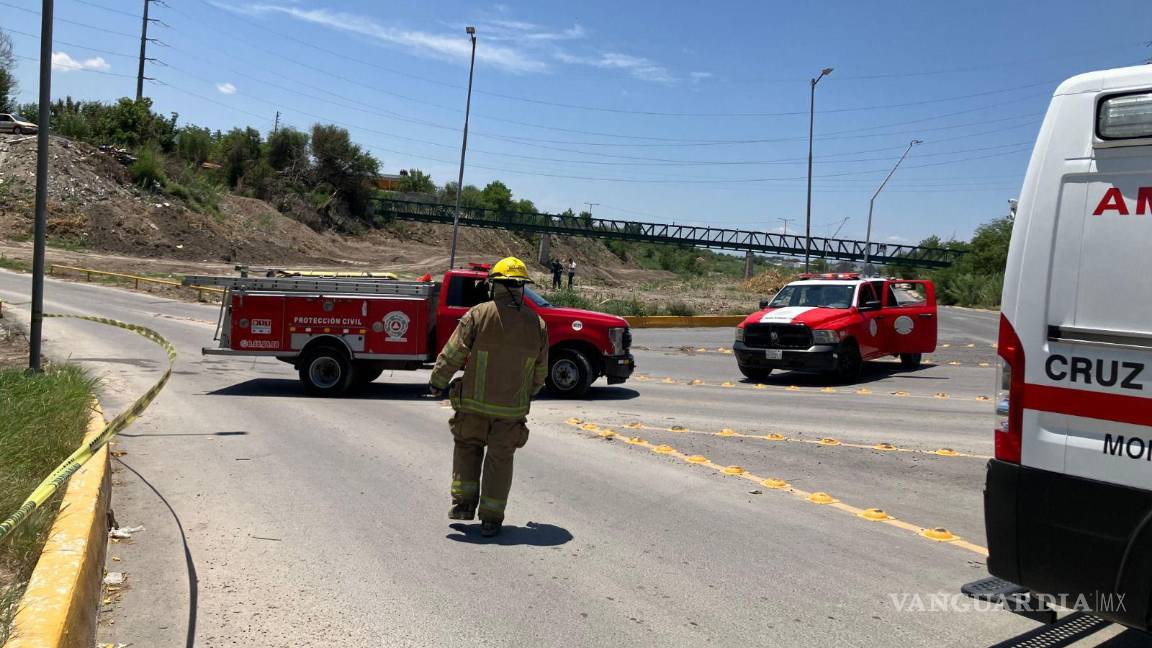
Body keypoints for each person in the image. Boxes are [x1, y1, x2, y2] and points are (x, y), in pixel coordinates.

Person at [429, 257, 549, 538]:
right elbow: (540, 370)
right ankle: (491, 519)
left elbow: (454, 352)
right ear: (521, 287)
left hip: (473, 406)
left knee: (467, 449)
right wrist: (528, 392)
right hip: (511, 411)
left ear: (493, 284)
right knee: (500, 461)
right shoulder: (537, 324)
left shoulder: (478, 314)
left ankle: (463, 505)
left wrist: (438, 382)